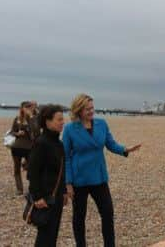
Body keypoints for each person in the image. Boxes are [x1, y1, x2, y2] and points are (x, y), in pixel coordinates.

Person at [63, 93, 141, 247]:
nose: (91, 111)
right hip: (79, 180)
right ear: (78, 110)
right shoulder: (70, 129)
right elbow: (65, 157)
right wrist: (68, 183)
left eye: (92, 108)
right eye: (87, 109)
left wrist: (125, 149)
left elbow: (111, 144)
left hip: (99, 178)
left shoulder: (101, 124)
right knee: (79, 217)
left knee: (107, 214)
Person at [28, 104, 67, 247]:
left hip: (56, 196)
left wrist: (63, 192)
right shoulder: (41, 143)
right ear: (47, 122)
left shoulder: (59, 143)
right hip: (44, 197)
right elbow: (32, 172)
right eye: (59, 119)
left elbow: (61, 171)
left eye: (63, 119)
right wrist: (37, 196)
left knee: (53, 233)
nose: (63, 122)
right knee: (45, 235)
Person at [10, 101, 35, 194]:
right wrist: (17, 133)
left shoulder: (32, 119)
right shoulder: (17, 118)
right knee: (16, 169)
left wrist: (30, 122)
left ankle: (32, 188)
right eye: (25, 107)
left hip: (29, 148)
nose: (27, 109)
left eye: (29, 107)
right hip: (16, 147)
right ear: (21, 108)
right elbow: (12, 131)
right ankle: (19, 189)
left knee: (31, 168)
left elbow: (35, 131)